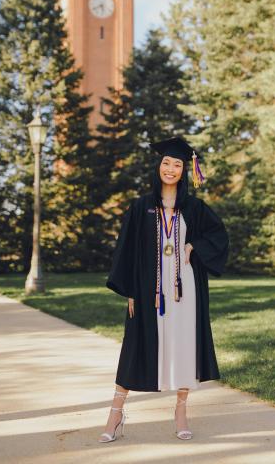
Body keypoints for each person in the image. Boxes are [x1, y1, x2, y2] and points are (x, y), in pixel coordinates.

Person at [98, 136, 229, 443]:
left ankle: (181, 412)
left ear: (185, 171)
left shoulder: (194, 208)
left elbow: (219, 236)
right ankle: (115, 414)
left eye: (178, 165)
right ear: (158, 166)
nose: (171, 169)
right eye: (166, 163)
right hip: (148, 290)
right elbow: (126, 250)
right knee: (135, 347)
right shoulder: (141, 206)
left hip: (185, 291)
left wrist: (194, 244)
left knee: (185, 349)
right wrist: (130, 289)